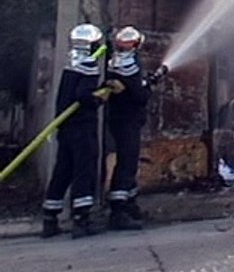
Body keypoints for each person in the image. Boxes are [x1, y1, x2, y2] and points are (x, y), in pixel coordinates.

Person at [40, 23, 119, 239]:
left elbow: (73, 92)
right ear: (91, 45)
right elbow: (84, 95)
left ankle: (50, 217)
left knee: (62, 170)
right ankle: (81, 219)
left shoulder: (71, 63)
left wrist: (103, 86)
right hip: (82, 127)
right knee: (84, 171)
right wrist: (99, 98)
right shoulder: (89, 64)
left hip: (65, 126)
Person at [105, 25, 152, 230]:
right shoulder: (129, 64)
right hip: (128, 120)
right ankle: (119, 211)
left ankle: (130, 204)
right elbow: (139, 96)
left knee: (128, 161)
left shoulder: (113, 61)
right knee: (126, 164)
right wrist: (148, 86)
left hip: (118, 118)